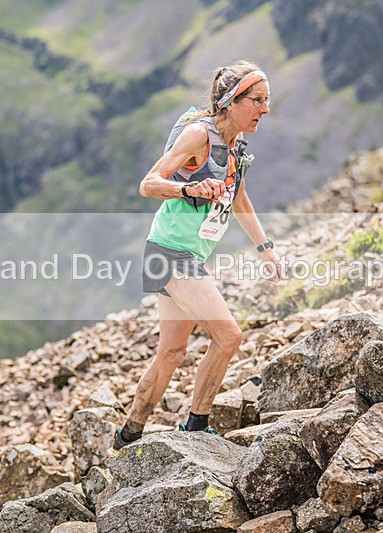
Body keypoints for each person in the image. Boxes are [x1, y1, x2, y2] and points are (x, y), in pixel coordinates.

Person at [112, 59, 281, 451]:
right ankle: (196, 425)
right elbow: (149, 183)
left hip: (185, 254)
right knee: (228, 336)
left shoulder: (236, 144)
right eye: (257, 100)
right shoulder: (198, 136)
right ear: (232, 100)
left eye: (267, 100)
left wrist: (265, 248)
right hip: (170, 252)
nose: (265, 109)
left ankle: (127, 435)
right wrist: (188, 190)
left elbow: (239, 200)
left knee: (171, 352)